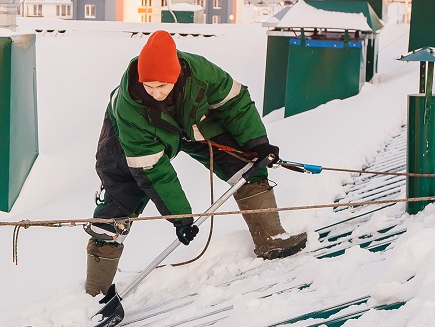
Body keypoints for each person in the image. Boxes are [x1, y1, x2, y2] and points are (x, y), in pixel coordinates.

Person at [84, 30, 308, 296]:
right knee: (118, 205)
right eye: (149, 86)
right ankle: (94, 294)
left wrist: (258, 144)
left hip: (189, 124)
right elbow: (153, 169)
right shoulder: (129, 107)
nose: (155, 93)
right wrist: (181, 219)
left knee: (247, 164)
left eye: (162, 86)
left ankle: (271, 238)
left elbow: (236, 104)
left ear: (176, 76)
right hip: (129, 140)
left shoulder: (200, 73)